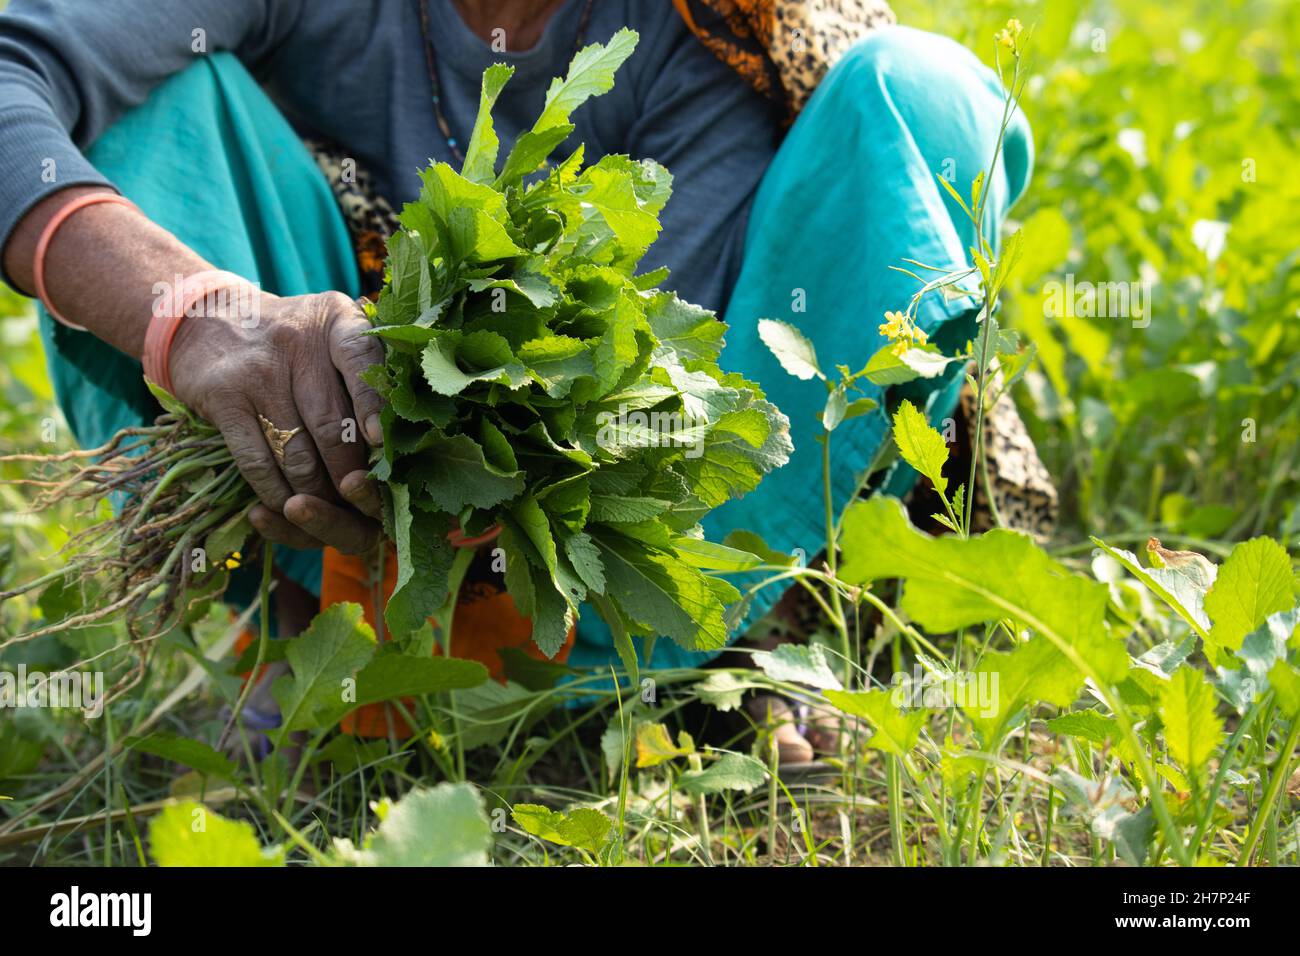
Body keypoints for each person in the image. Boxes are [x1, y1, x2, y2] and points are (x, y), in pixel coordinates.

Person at [0, 0, 1032, 763]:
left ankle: (681, 660)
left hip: (609, 551)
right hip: (319, 509)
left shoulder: (712, 30)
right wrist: (195, 312)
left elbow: (627, 393)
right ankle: (302, 657)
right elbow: (14, 73)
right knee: (149, 97)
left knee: (915, 96)